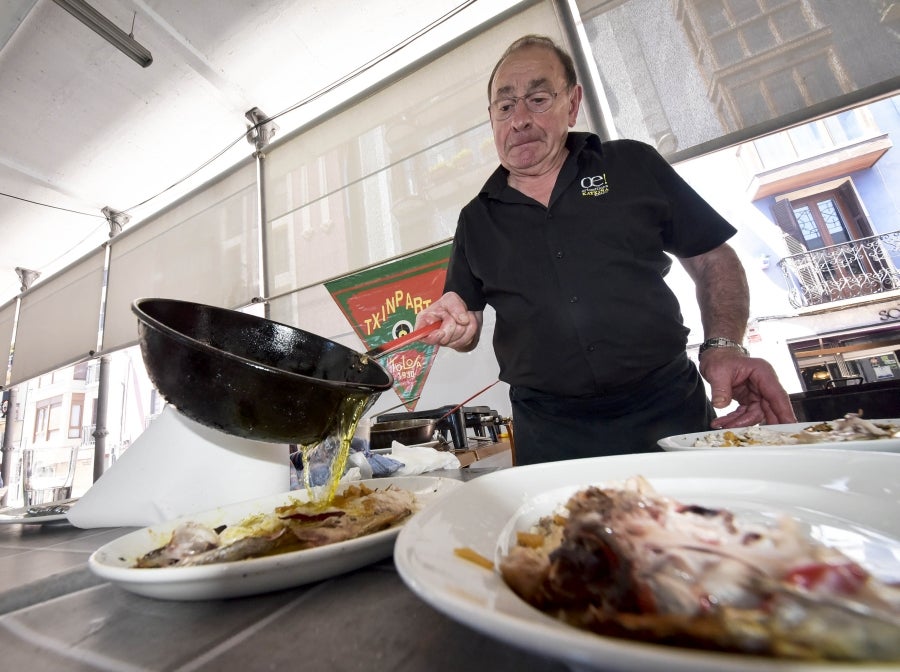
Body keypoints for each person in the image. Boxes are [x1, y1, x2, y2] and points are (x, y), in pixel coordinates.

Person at [414, 34, 797, 465]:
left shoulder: (632, 165)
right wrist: (456, 330)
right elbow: (465, 324)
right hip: (551, 433)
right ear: (492, 118)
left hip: (668, 409)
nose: (518, 119)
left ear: (573, 103)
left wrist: (724, 344)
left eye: (538, 99)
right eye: (504, 107)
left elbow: (713, 258)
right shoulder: (475, 220)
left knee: (695, 526)